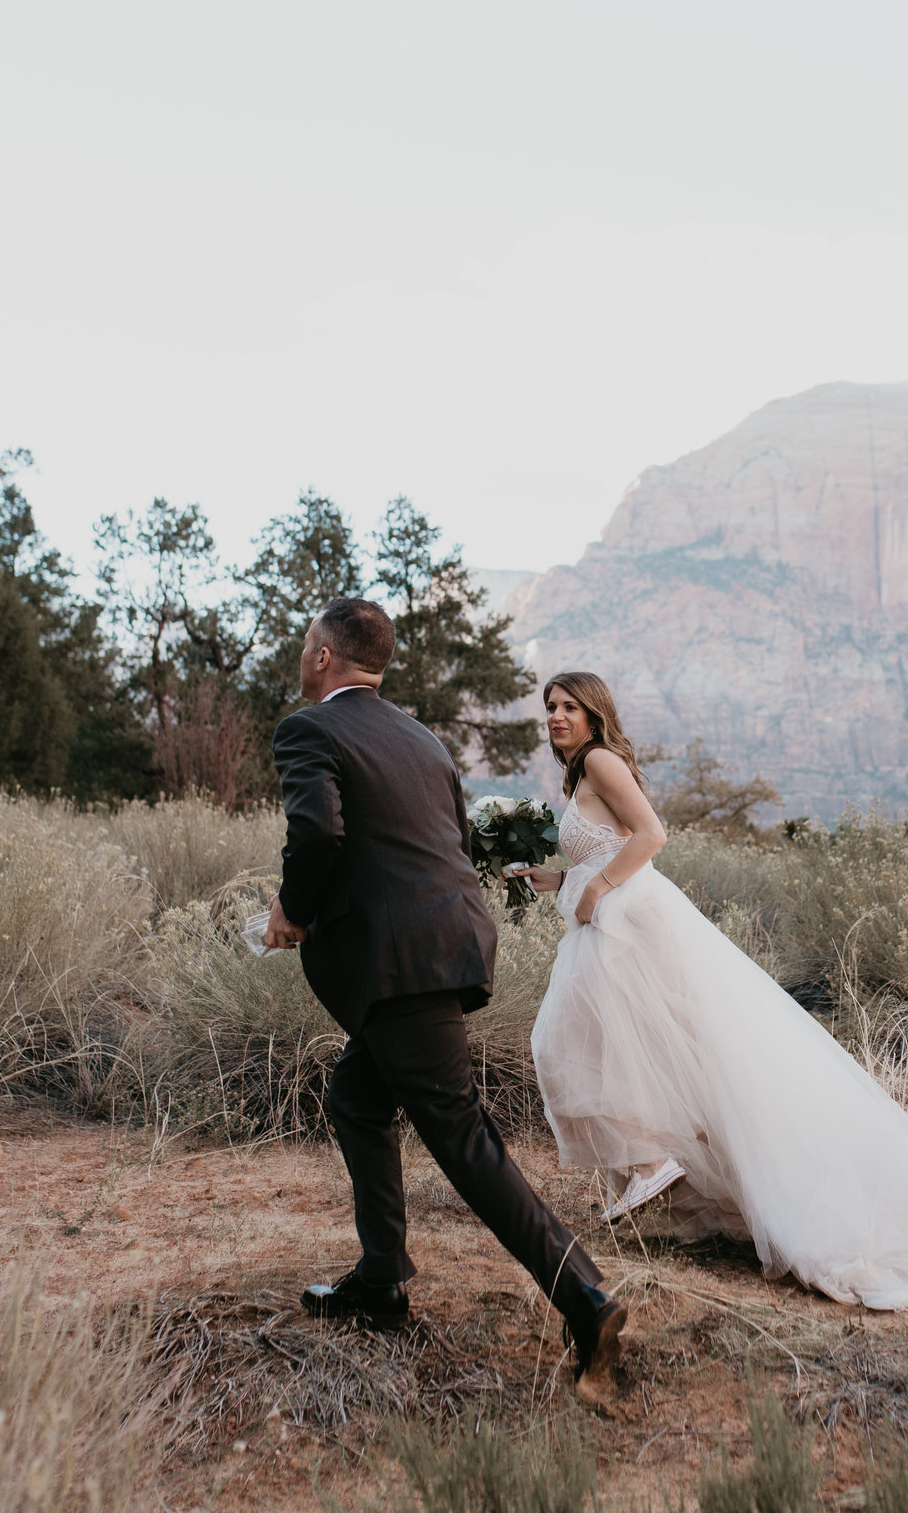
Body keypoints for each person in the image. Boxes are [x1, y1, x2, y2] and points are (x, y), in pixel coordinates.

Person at [507, 672, 908, 1320]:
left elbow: (650, 835)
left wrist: (597, 890)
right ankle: (664, 1172)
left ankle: (651, 1161)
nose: (556, 715)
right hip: (609, 923)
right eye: (549, 706)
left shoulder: (599, 759)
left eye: (569, 705)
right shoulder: (579, 775)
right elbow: (604, 843)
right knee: (646, 1045)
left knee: (580, 1039)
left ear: (595, 714)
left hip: (633, 923)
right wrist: (555, 879)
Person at [264, 601, 629, 1406]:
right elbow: (451, 841)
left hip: (398, 966)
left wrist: (292, 907)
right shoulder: (420, 736)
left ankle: (586, 1298)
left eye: (302, 645)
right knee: (355, 1097)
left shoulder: (308, 730)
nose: (301, 656)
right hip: (447, 947)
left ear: (323, 656)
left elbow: (320, 834)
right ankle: (383, 1280)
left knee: (465, 1141)